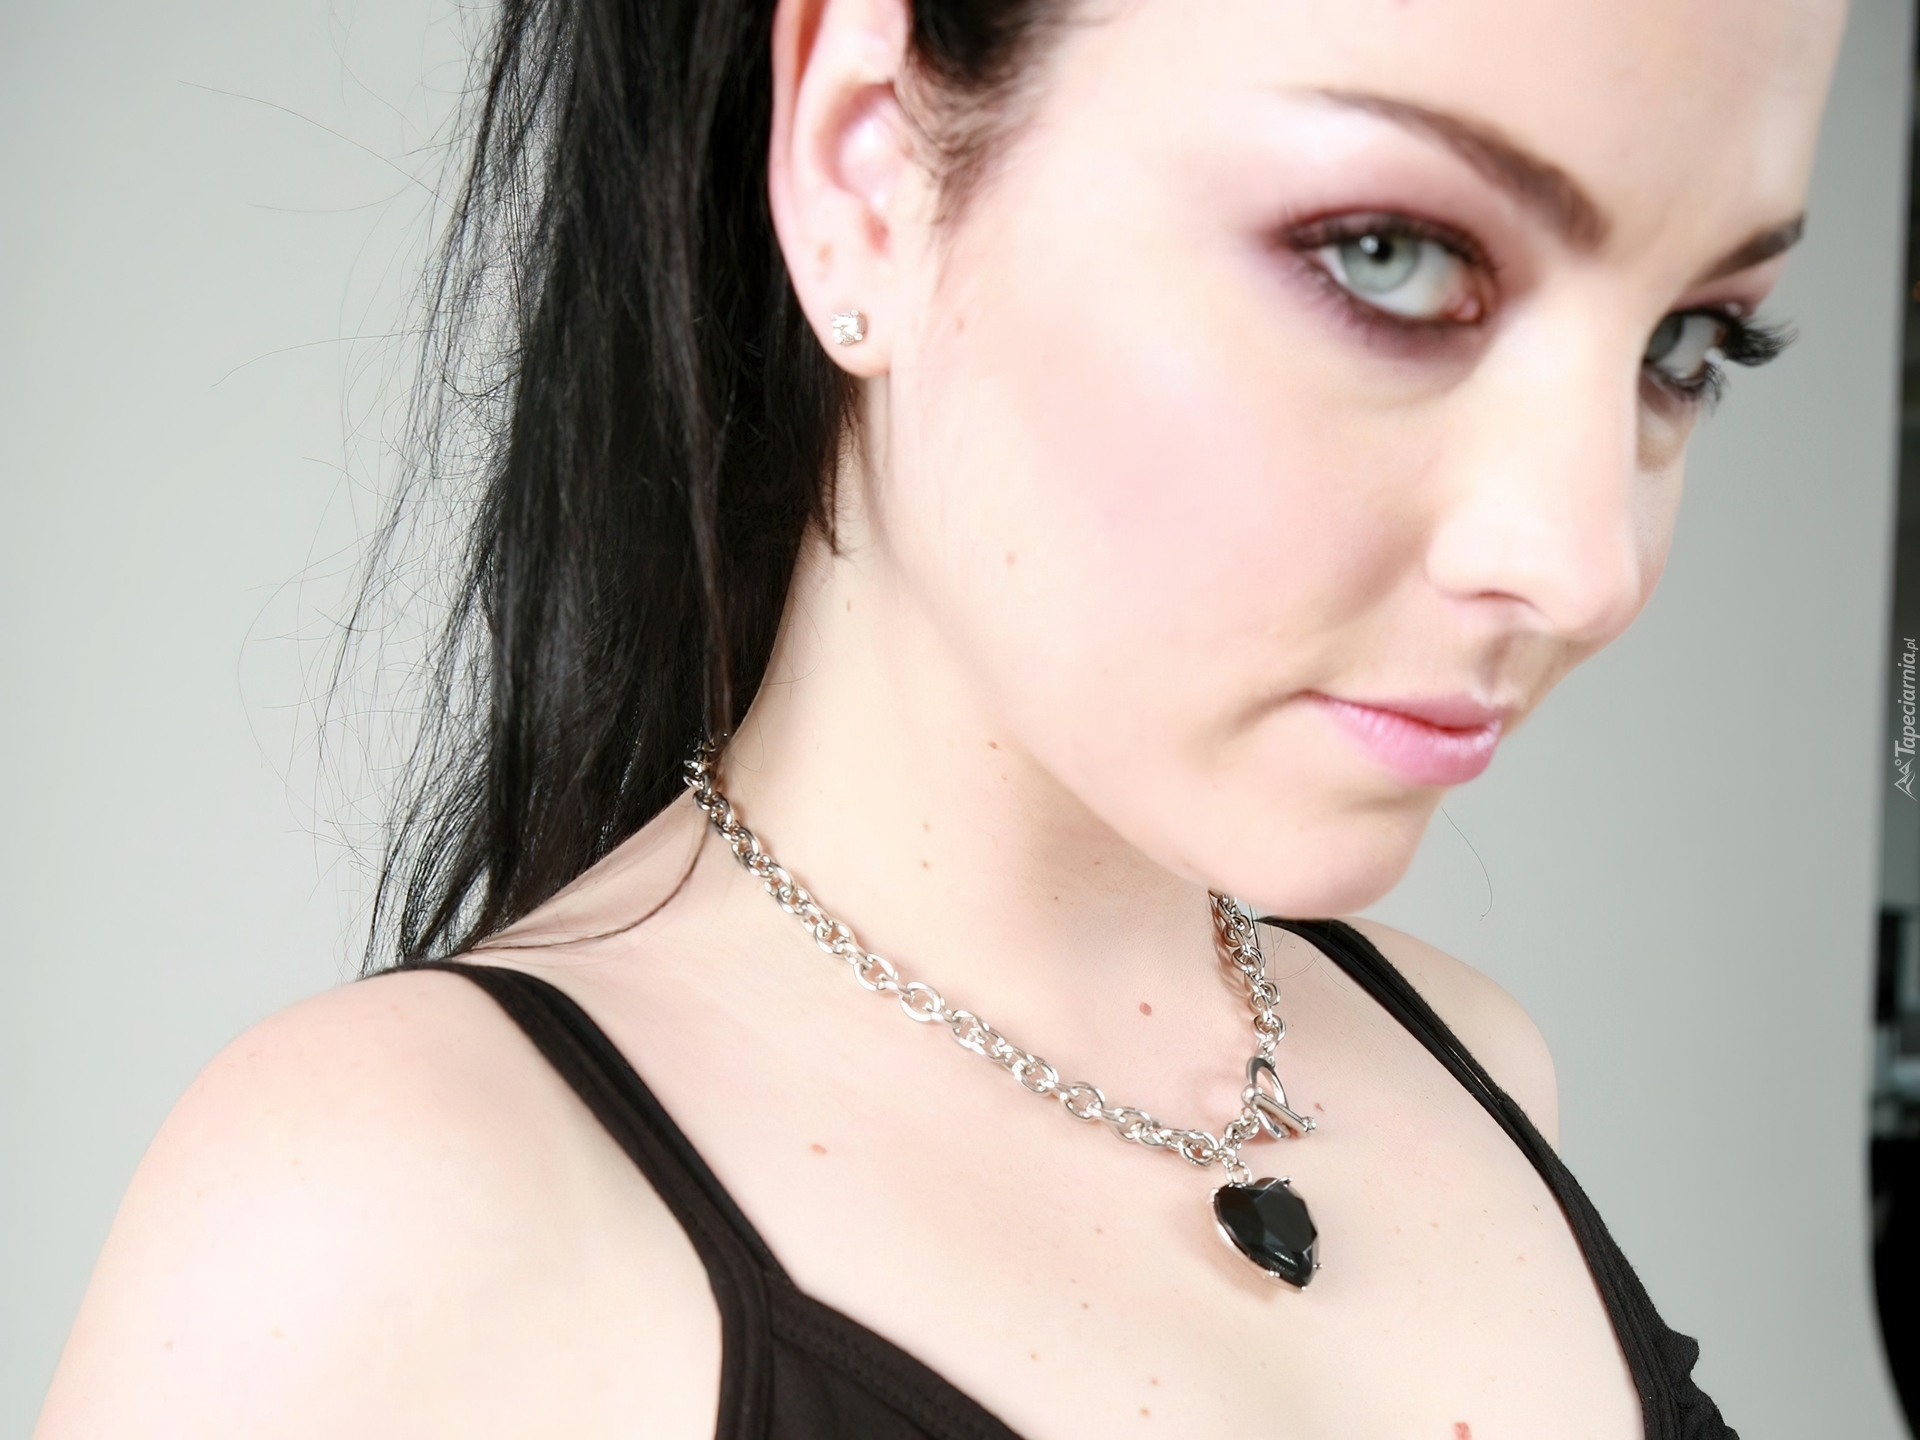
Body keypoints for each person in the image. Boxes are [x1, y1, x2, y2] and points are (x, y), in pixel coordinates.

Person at [35, 0, 1845, 1434]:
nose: (1589, 562)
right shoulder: (384, 1215)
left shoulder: (1479, 1069)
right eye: (1387, 254)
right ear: (867, 170)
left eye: (1689, 343)